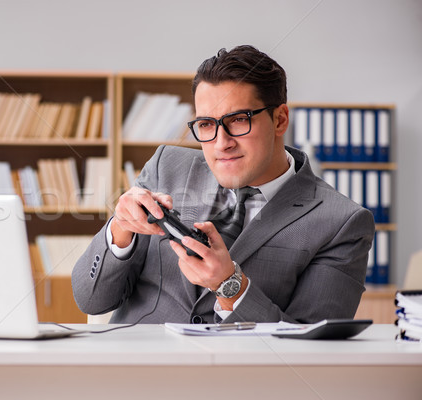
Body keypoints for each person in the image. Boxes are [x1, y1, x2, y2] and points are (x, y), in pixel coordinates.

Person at [71, 45, 375, 324]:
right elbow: (90, 300)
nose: (221, 143)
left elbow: (309, 347)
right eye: (206, 124)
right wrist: (120, 231)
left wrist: (231, 287)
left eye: (239, 120)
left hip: (239, 380)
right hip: (134, 372)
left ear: (280, 120)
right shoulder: (168, 167)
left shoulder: (342, 222)